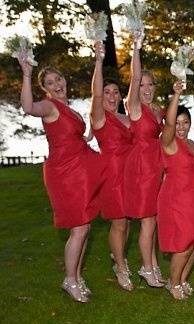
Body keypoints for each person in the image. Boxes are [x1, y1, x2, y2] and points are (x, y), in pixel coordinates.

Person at [18, 58, 103, 303]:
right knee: (78, 228)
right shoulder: (49, 106)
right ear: (45, 88)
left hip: (80, 169)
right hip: (65, 174)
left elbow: (73, 137)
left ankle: (76, 275)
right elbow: (27, 107)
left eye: (58, 79)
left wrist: (88, 136)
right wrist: (26, 74)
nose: (56, 84)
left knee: (85, 226)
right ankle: (70, 279)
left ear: (64, 80)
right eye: (49, 82)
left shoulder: (70, 108)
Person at [158, 81, 194, 299]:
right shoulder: (168, 142)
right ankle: (174, 284)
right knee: (184, 244)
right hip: (176, 197)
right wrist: (177, 94)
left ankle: (182, 279)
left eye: (185, 122)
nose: (181, 127)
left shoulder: (192, 144)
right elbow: (168, 125)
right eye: (177, 123)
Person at [90, 41, 133, 291]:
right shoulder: (99, 117)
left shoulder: (126, 118)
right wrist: (98, 59)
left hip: (129, 174)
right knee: (118, 222)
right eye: (107, 92)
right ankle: (120, 266)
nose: (111, 96)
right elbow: (96, 94)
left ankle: (119, 257)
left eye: (116, 92)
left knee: (126, 222)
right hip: (112, 173)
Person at [124, 32, 164, 288]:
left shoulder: (157, 108)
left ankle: (153, 265)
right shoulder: (134, 106)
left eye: (150, 85)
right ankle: (146, 268)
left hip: (156, 164)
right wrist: (136, 47)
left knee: (154, 218)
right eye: (142, 85)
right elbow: (135, 75)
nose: (146, 89)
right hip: (141, 168)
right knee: (148, 219)